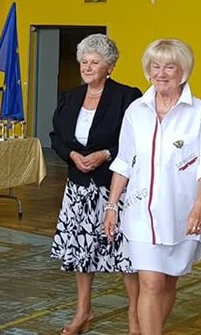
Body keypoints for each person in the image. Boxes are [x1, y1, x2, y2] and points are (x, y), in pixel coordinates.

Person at [104, 38, 201, 335]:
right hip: (140, 213)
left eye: (169, 67)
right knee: (151, 283)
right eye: (155, 66)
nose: (161, 73)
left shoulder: (198, 112)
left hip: (182, 213)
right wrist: (112, 206)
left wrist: (199, 207)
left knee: (168, 281)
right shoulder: (136, 111)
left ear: (183, 71)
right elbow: (123, 162)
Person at [49, 34, 142, 335]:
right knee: (81, 251)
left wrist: (105, 154)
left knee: (125, 253)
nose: (87, 67)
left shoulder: (128, 97)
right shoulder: (70, 97)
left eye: (95, 62)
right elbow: (56, 137)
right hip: (78, 187)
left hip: (114, 186)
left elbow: (136, 141)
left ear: (110, 67)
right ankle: (84, 311)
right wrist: (72, 155)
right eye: (84, 62)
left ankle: (135, 316)